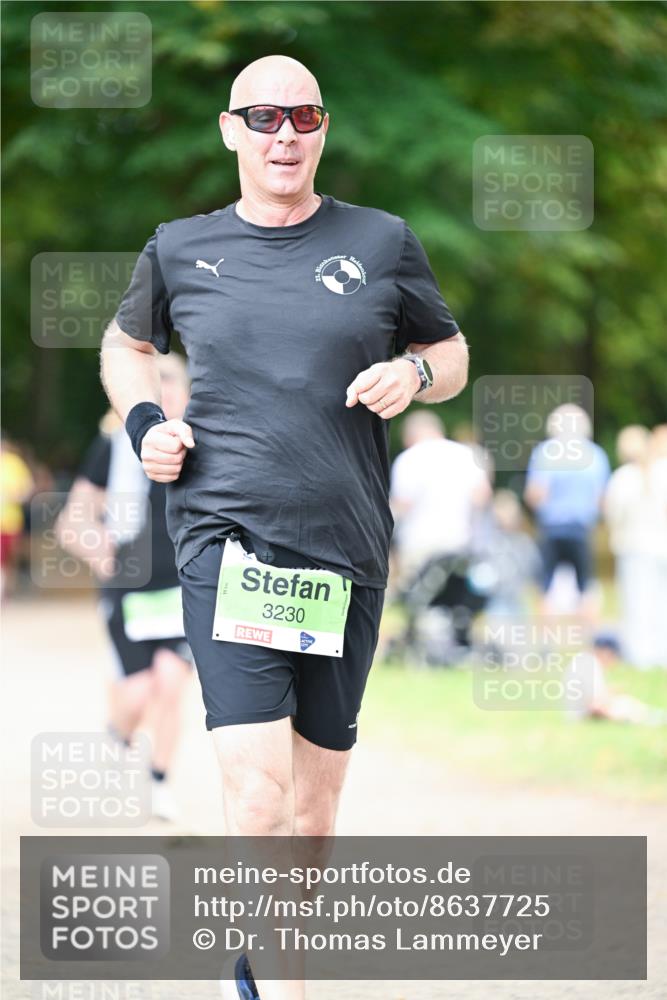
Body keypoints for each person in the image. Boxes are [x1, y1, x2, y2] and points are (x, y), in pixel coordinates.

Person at [99, 54, 469, 1000]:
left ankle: (261, 954)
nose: (282, 136)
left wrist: (417, 376)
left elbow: (450, 349)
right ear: (230, 130)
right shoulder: (180, 248)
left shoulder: (381, 241)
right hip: (227, 544)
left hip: (345, 550)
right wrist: (150, 425)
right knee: (257, 796)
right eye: (262, 118)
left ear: (322, 128)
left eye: (301, 117)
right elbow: (125, 345)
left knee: (312, 806)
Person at [57, 354, 193, 820]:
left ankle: (158, 782)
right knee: (136, 692)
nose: (163, 394)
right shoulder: (114, 447)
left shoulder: (206, 446)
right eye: (153, 388)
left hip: (184, 588)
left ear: (187, 394)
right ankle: (117, 743)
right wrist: (100, 549)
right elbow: (72, 518)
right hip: (130, 589)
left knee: (171, 685)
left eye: (171, 385)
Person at [524, 403, 610, 620]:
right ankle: (588, 638)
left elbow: (536, 494)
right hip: (581, 528)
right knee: (585, 585)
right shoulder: (596, 455)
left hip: (551, 527)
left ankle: (546, 640)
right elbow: (602, 499)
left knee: (545, 585)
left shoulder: (545, 453)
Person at [389, 410, 490, 588]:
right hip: (459, 539)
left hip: (418, 542)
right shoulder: (466, 455)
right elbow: (482, 497)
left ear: (411, 435)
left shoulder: (408, 459)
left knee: (419, 599)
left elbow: (401, 506)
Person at [604, 425, 667, 667]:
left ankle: (640, 654)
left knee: (637, 602)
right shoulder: (661, 473)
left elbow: (613, 515)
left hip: (634, 548)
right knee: (661, 601)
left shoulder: (623, 477)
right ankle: (661, 652)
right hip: (661, 546)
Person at [565, 634, 667, 725]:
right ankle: (652, 719)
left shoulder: (584, 660)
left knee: (624, 702)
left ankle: (652, 717)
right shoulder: (590, 664)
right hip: (583, 717)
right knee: (625, 704)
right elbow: (594, 705)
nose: (614, 663)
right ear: (606, 652)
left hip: (578, 715)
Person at [0, 436, 34, 600]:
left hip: (11, 522)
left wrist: (15, 496)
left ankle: (5, 592)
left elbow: (27, 489)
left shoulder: (14, 464)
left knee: (8, 560)